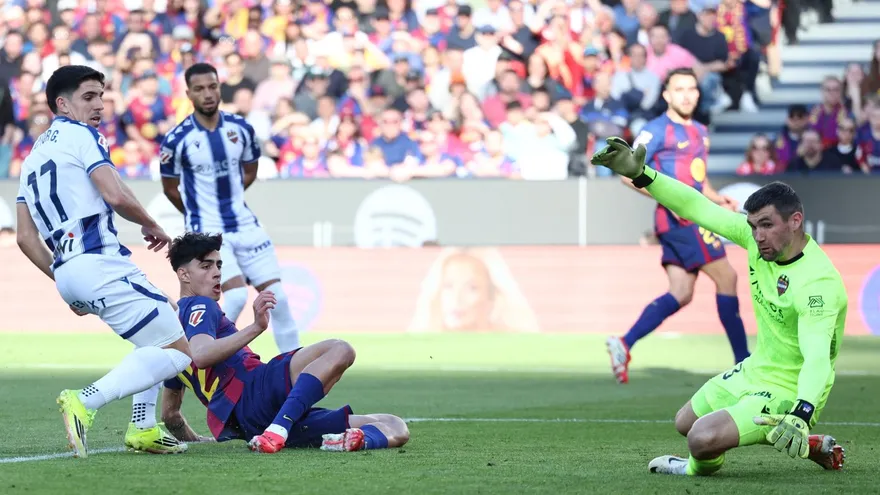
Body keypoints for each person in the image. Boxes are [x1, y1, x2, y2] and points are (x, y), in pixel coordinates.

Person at [591, 136, 847, 475]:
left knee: (700, 439)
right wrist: (643, 175)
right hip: (757, 369)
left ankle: (694, 469)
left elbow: (817, 359)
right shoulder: (757, 240)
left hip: (793, 387)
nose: (757, 237)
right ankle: (812, 446)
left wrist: (802, 410)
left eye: (767, 226)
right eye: (753, 226)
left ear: (795, 221)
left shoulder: (818, 284)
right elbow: (697, 206)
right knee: (684, 421)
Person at [14, 65, 191, 458]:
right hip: (99, 260)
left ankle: (143, 427)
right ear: (63, 104)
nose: (100, 105)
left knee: (159, 331)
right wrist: (152, 224)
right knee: (179, 350)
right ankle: (85, 400)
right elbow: (114, 193)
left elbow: (25, 237)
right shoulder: (83, 136)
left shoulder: (29, 161)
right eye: (89, 96)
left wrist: (61, 276)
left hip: (68, 270)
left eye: (102, 95)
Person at [159, 232, 410, 454]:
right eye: (206, 266)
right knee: (340, 349)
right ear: (183, 274)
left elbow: (171, 416)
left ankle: (353, 440)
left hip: (254, 424)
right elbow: (201, 354)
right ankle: (280, 429)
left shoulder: (172, 342)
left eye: (218, 265)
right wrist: (256, 327)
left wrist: (199, 441)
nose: (216, 273)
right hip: (257, 391)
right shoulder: (201, 305)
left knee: (394, 425)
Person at [606, 68, 749, 384]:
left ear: (698, 93)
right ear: (666, 95)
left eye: (691, 89)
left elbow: (698, 178)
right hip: (681, 219)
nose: (686, 95)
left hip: (689, 216)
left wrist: (717, 199)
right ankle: (744, 364)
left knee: (681, 292)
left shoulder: (700, 130)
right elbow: (627, 173)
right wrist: (669, 198)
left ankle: (624, 343)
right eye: (679, 89)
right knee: (727, 276)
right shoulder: (656, 130)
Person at [159, 62, 300, 353]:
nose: (208, 94)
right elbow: (170, 188)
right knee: (235, 298)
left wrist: (228, 198)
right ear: (189, 94)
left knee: (280, 300)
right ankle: (199, 360)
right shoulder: (177, 139)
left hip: (245, 224)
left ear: (220, 88)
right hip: (208, 231)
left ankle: (294, 377)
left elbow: (250, 171)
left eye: (212, 86)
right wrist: (196, 213)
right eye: (199, 89)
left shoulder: (242, 129)